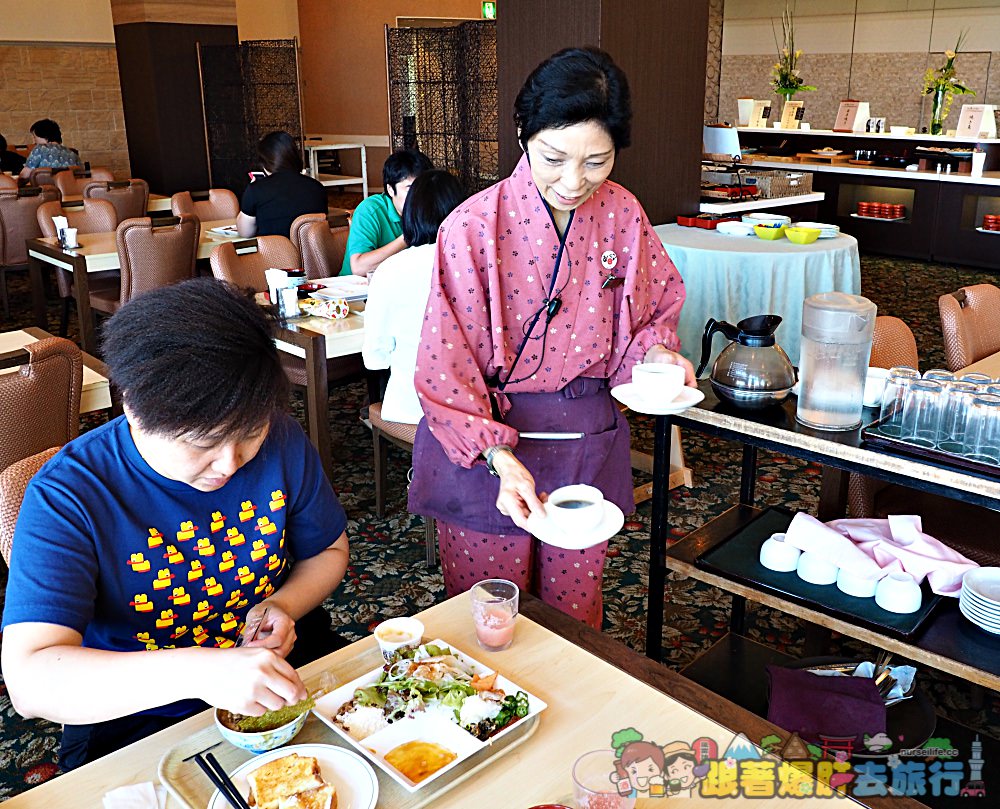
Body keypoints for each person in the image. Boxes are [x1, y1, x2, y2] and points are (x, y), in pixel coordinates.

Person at [1, 278, 350, 770]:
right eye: (203, 442)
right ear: (132, 408)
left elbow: (328, 551)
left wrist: (284, 604)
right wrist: (203, 673)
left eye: (249, 433)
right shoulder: (69, 495)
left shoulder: (282, 442)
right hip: (134, 708)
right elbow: (31, 680)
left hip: (282, 667)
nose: (229, 463)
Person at [407, 47, 692, 628]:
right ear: (522, 135)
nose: (572, 181)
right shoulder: (472, 226)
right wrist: (497, 457)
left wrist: (656, 354)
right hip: (483, 449)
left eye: (596, 162)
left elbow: (652, 310)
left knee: (574, 612)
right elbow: (445, 363)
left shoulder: (624, 215)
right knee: (490, 613)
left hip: (584, 440)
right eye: (554, 158)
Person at [362, 169, 465, 424]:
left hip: (413, 407)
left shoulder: (391, 269)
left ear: (411, 214)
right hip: (476, 405)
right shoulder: (479, 264)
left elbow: (375, 359)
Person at [340, 148, 433, 276]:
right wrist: (408, 236)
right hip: (357, 291)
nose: (418, 195)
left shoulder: (431, 208)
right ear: (390, 189)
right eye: (410, 188)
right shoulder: (370, 210)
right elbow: (359, 267)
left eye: (423, 188)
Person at [237, 131, 328, 238]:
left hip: (273, 253)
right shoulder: (317, 187)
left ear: (265, 163)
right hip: (311, 253)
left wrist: (251, 192)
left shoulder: (256, 189)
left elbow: (245, 232)